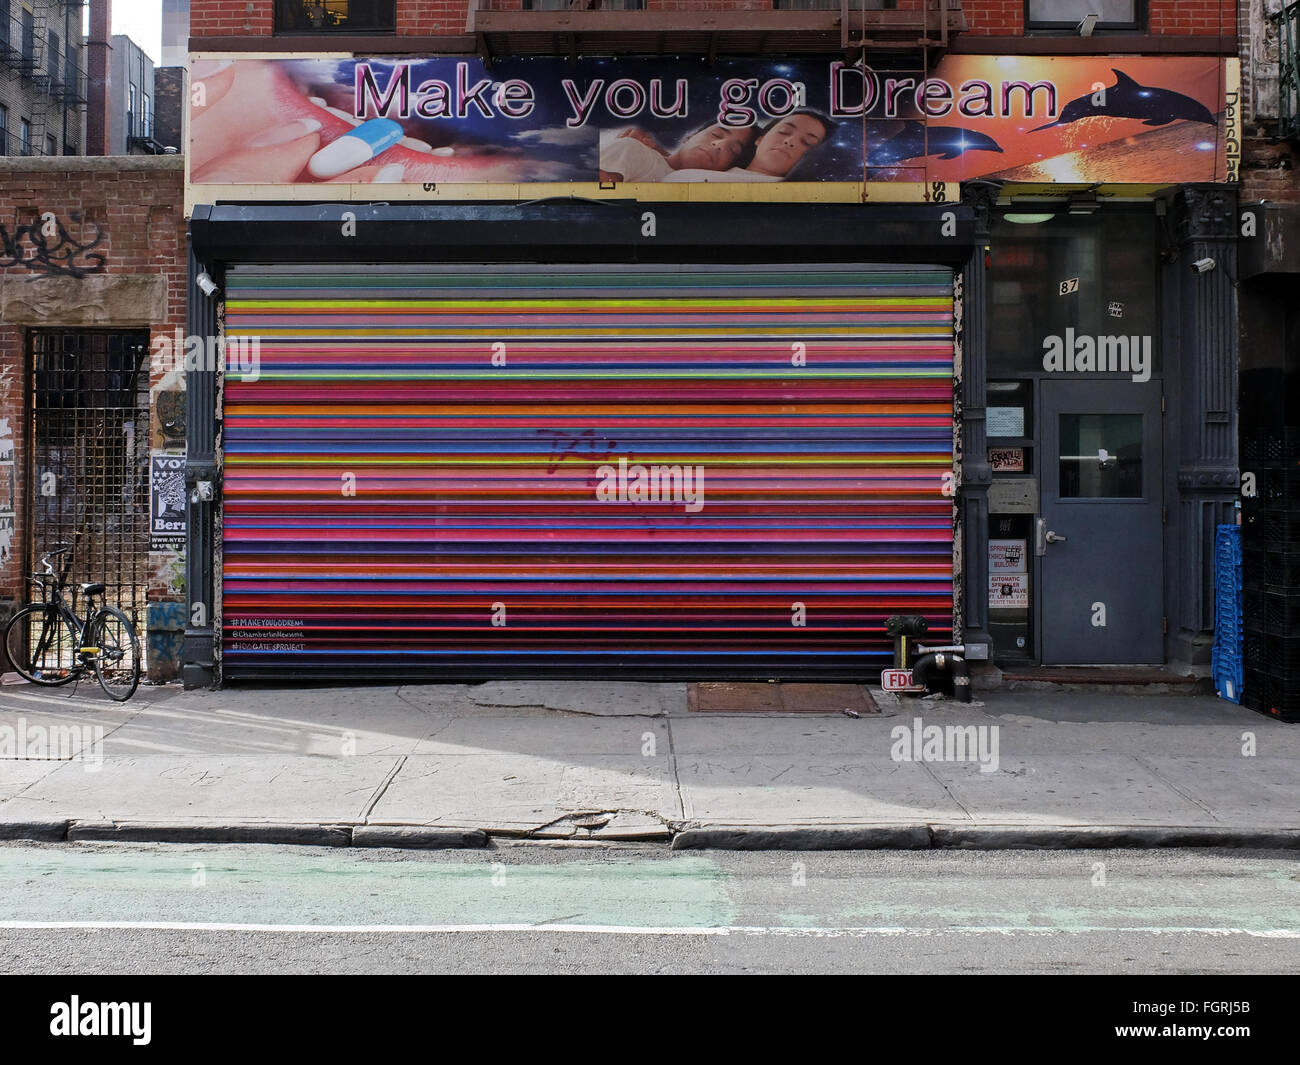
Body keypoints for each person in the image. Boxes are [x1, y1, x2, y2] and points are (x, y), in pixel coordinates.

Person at [663, 110, 836, 183]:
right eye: (784, 131)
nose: (789, 141)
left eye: (807, 143)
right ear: (760, 139)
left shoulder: (791, 191)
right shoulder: (711, 171)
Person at [599, 122, 757, 183]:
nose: (719, 145)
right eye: (716, 134)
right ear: (690, 136)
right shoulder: (633, 149)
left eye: (733, 150)